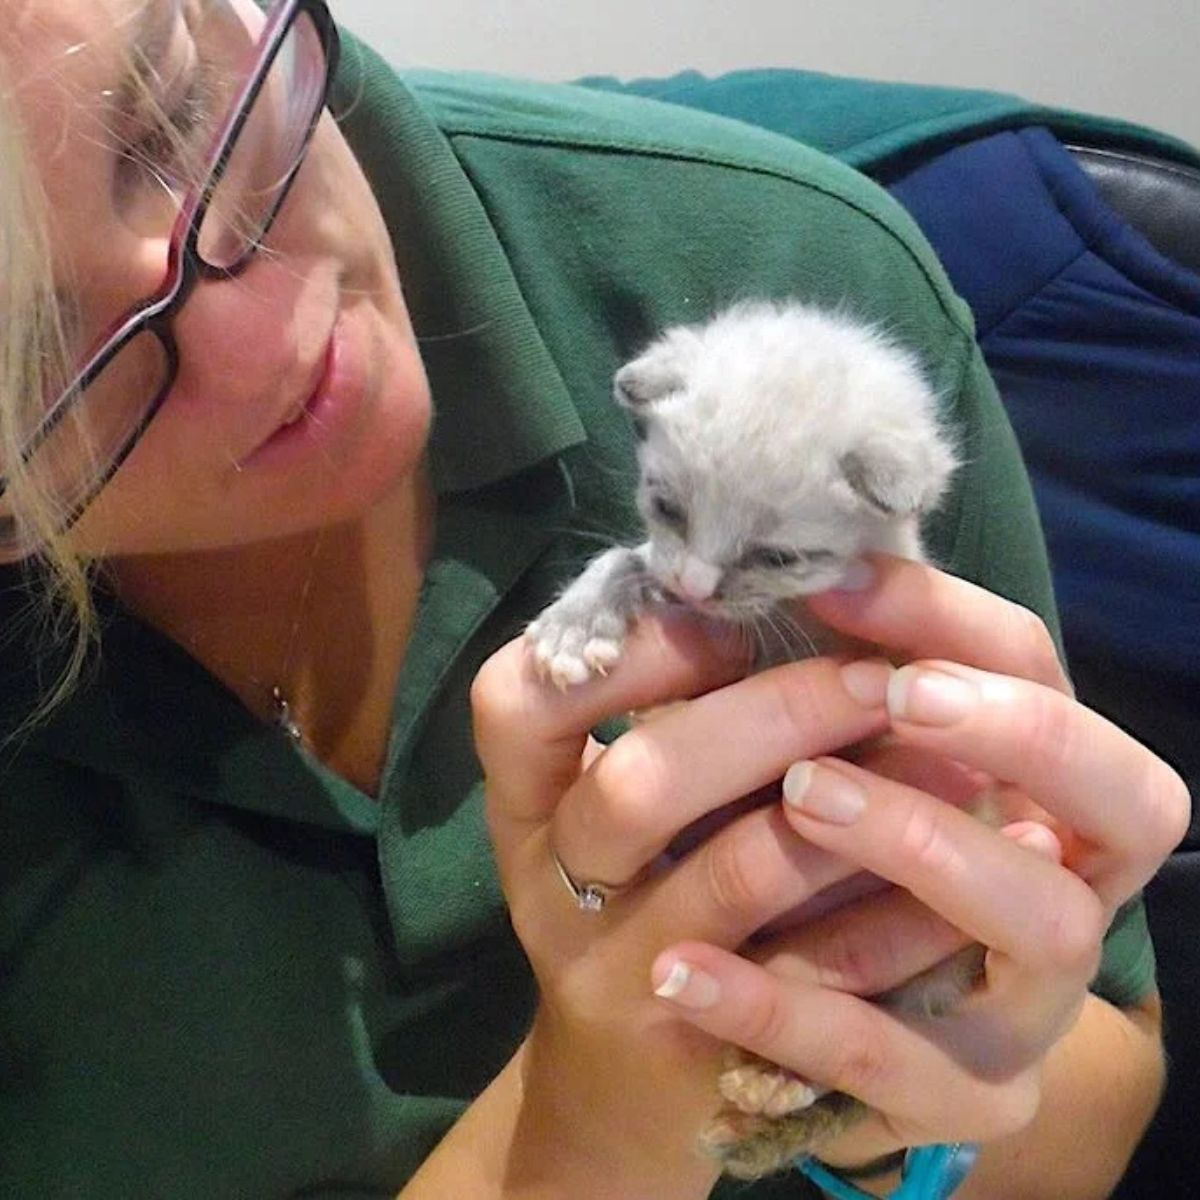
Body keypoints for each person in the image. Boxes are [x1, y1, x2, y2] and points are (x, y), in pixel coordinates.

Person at [0, 2, 1188, 1198]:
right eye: (37, 358)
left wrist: (893, 1106)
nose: (271, 342)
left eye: (174, 118)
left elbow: (1102, 1086)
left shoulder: (777, 268)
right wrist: (596, 1127)